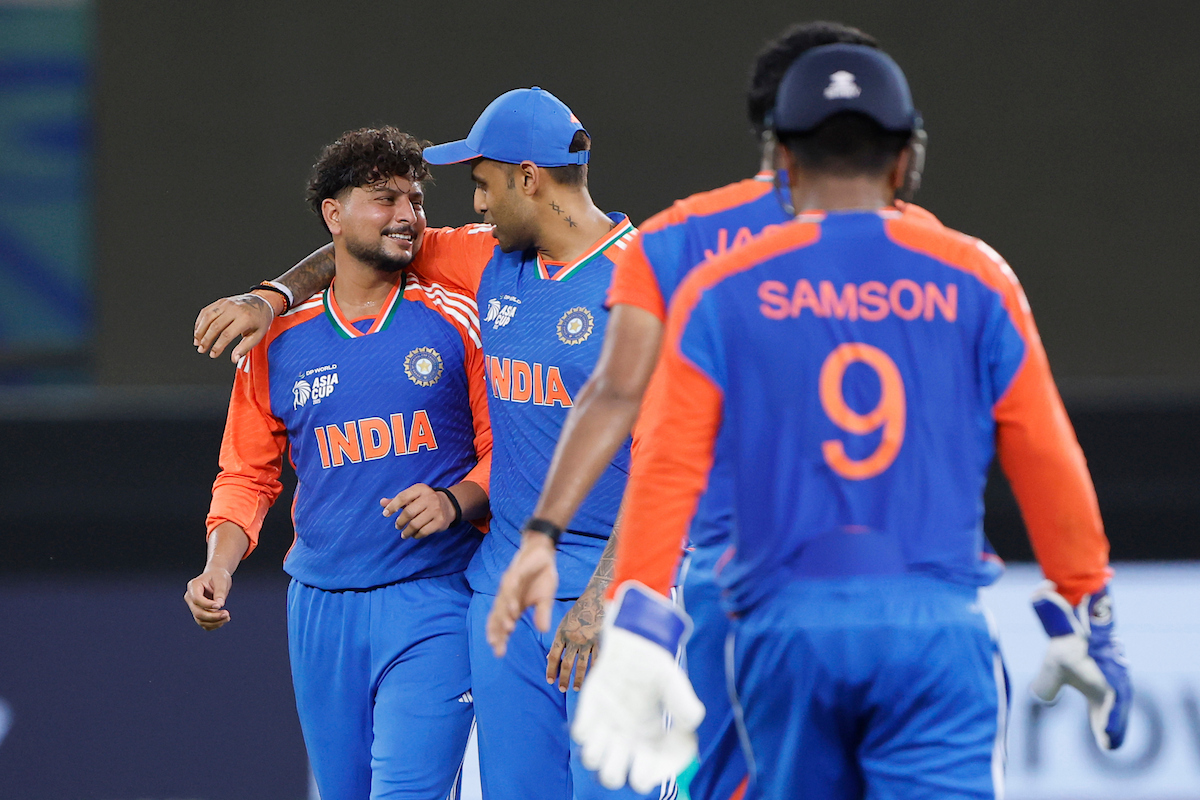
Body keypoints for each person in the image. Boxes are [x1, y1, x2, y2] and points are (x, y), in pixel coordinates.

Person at [571, 44, 1132, 799]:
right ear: (906, 160)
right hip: (932, 629)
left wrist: (640, 622)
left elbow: (670, 459)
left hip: (784, 630)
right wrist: (1087, 603)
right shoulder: (977, 276)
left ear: (784, 161)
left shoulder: (721, 287)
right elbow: (1045, 450)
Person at [192, 89, 658, 800]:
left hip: (598, 590)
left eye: (482, 184)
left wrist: (603, 598)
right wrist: (272, 296)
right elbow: (352, 249)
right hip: (499, 591)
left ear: (527, 178)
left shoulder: (647, 282)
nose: (472, 206)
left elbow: (671, 464)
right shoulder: (489, 259)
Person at [485, 21, 887, 800]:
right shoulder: (946, 261)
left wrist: (572, 559)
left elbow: (639, 419)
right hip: (854, 582)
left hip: (742, 583)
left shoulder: (673, 243)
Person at [183, 127, 493, 800]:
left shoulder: (456, 318)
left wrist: (453, 501)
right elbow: (247, 474)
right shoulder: (275, 342)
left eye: (415, 199)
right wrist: (218, 566)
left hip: (435, 597)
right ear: (334, 213)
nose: (408, 214)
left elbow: (506, 453)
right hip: (320, 609)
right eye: (385, 199)